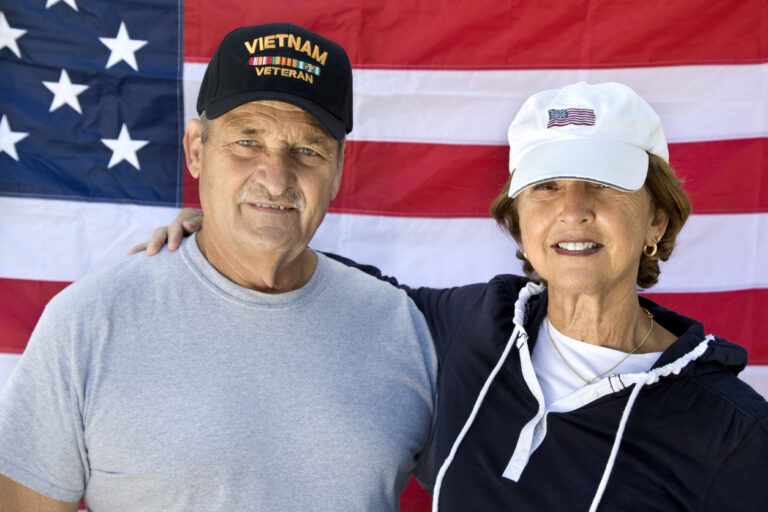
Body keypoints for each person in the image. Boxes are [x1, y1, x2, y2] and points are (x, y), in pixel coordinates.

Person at [147, 82, 768, 510]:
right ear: (517, 219)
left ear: (656, 221)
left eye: (604, 185)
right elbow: (327, 281)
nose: (573, 211)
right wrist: (229, 230)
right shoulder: (470, 326)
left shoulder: (731, 430)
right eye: (546, 187)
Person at [0, 23, 437, 512]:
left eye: (308, 150)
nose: (275, 179)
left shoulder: (403, 325)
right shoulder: (89, 322)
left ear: (337, 170)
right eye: (247, 141)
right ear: (195, 149)